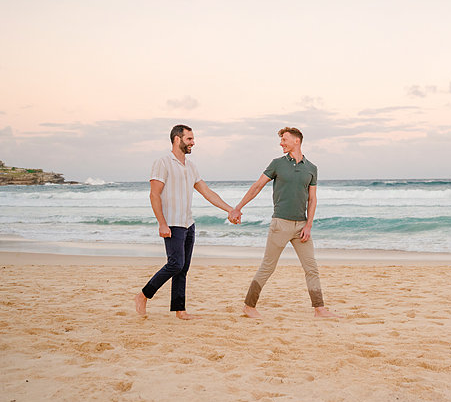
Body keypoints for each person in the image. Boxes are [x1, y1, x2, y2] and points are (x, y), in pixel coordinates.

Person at [229, 127, 337, 318]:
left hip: (301, 227)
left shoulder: (311, 168)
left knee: (311, 268)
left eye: (284, 139)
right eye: (281, 140)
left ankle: (319, 309)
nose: (281, 143)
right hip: (280, 224)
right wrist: (238, 207)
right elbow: (257, 186)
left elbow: (312, 199)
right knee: (268, 266)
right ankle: (249, 306)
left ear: (297, 141)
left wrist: (309, 225)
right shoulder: (277, 164)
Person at [135, 124, 240, 320]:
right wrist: (162, 223)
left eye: (193, 139)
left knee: (183, 268)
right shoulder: (163, 163)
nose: (193, 142)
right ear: (177, 139)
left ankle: (180, 310)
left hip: (188, 224)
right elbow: (154, 195)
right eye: (189, 139)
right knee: (175, 264)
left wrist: (230, 209)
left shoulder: (191, 167)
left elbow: (207, 192)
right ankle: (143, 295)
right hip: (172, 223)